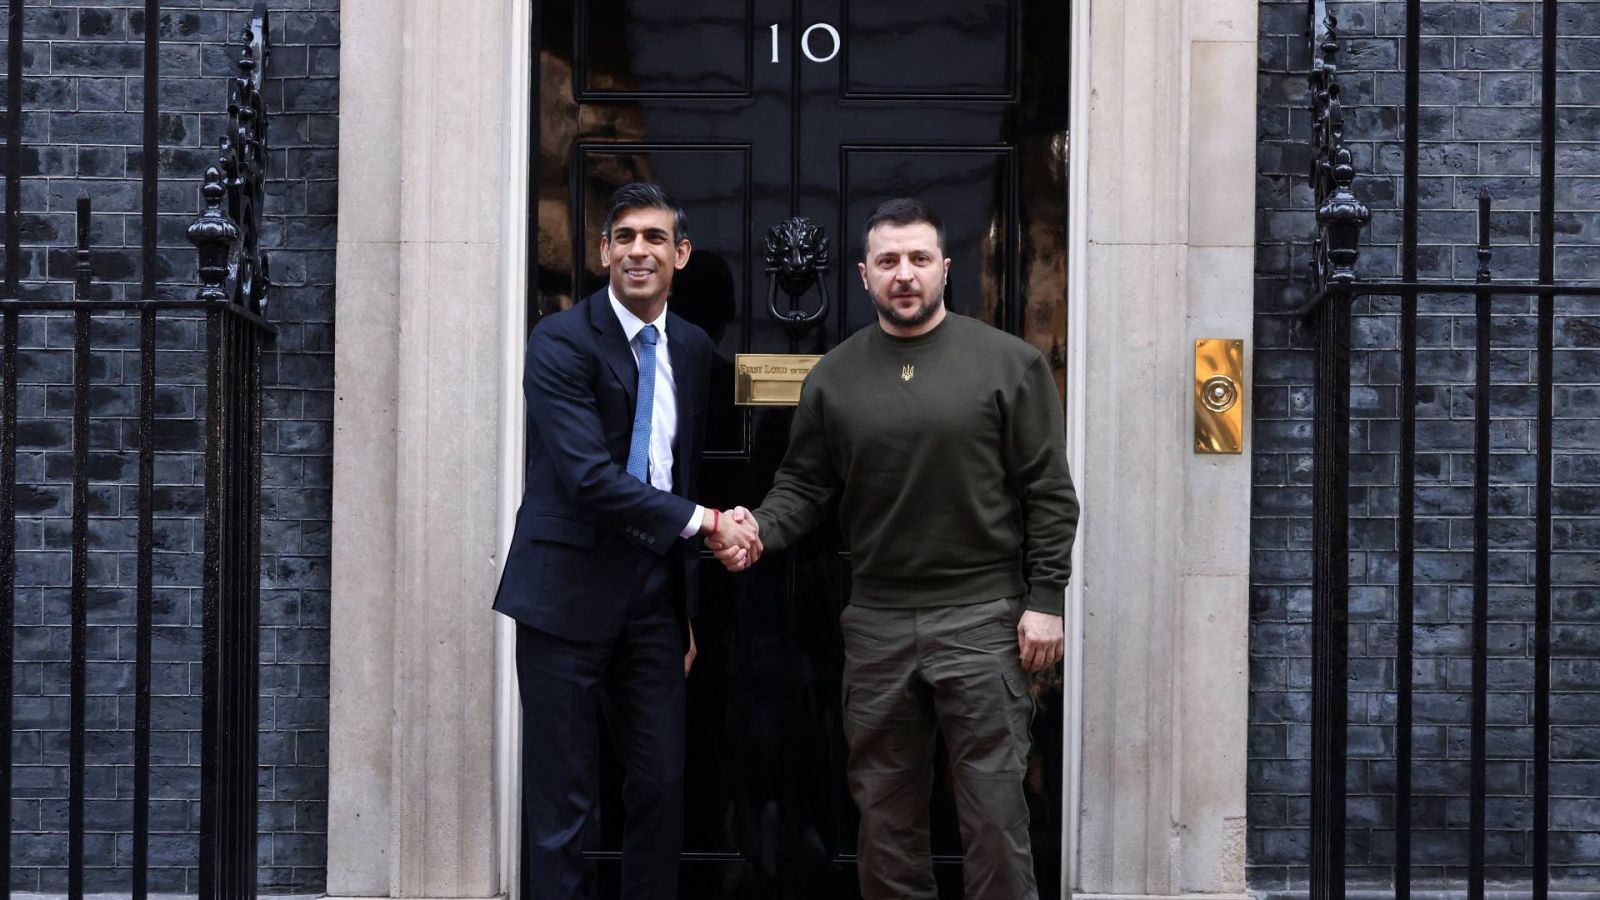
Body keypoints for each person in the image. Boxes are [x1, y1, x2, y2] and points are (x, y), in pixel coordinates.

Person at [709, 197, 1080, 900]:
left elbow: (1049, 494)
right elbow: (804, 488)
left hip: (982, 620)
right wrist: (754, 531)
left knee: (995, 816)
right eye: (888, 261)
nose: (903, 274)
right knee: (885, 821)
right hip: (877, 623)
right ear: (863, 274)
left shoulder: (1011, 364)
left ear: (945, 267)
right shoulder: (836, 376)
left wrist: (1046, 601)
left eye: (917, 259)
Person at [494, 182, 758, 900]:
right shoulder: (559, 340)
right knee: (565, 801)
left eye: (653, 237)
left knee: (662, 785)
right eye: (624, 237)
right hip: (563, 596)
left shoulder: (696, 349)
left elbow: (682, 467)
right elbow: (589, 479)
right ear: (604, 250)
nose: (638, 251)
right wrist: (709, 521)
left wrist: (686, 609)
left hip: (653, 601)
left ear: (681, 254)